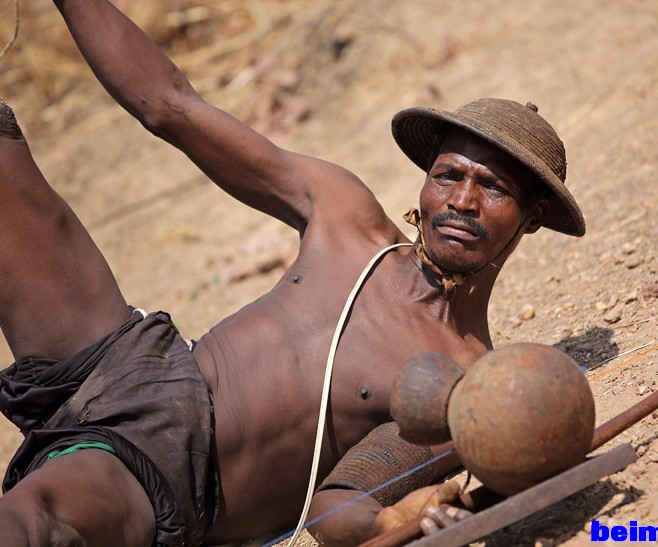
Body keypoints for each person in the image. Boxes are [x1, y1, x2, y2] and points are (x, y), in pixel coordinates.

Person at [0, 1, 585, 545]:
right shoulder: (344, 216)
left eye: (493, 187)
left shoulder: (460, 383)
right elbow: (169, 105)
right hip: (127, 358)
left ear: (532, 217)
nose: (461, 201)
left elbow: (336, 507)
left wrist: (395, 518)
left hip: (165, 464)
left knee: (31, 521)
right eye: (448, 175)